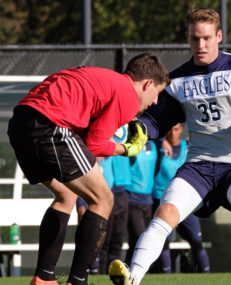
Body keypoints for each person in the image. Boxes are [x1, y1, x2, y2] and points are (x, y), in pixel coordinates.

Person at [108, 7, 231, 285]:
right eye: (194, 39)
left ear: (219, 36)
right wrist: (137, 129)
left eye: (206, 38)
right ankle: (133, 277)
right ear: (187, 38)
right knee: (165, 212)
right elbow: (156, 121)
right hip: (200, 164)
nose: (200, 45)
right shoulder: (177, 80)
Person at [7, 53, 170, 285]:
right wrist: (126, 149)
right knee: (103, 199)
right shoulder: (128, 95)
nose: (155, 101)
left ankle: (43, 278)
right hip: (50, 124)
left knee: (66, 195)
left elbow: (84, 136)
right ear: (147, 84)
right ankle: (78, 280)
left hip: (21, 122)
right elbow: (95, 145)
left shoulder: (105, 79)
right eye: (158, 93)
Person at [152, 123, 210, 274]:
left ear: (182, 130)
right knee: (164, 242)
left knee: (196, 242)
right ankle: (167, 278)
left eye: (176, 129)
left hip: (186, 202)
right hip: (162, 200)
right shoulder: (159, 148)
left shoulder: (189, 147)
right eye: (169, 129)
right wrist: (161, 141)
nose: (172, 133)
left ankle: (207, 276)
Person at [125, 140, 157, 264]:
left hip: (148, 200)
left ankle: (129, 271)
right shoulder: (133, 145)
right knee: (140, 237)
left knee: (137, 241)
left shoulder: (155, 146)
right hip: (132, 198)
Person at [98, 155, 131, 274]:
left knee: (118, 240)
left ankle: (115, 274)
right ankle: (100, 274)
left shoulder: (125, 137)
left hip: (122, 192)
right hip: (105, 192)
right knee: (104, 241)